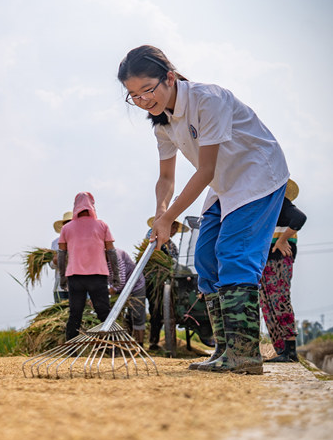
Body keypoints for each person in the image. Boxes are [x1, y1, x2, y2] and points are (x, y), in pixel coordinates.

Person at [118, 45, 289, 375]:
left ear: (170, 78)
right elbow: (166, 178)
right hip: (224, 184)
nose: (143, 100)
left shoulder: (207, 100)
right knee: (206, 258)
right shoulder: (163, 125)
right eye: (133, 95)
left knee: (234, 253)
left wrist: (170, 217)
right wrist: (161, 213)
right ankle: (224, 350)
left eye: (148, 89)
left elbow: (205, 169)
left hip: (257, 174)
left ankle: (245, 354)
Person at [57, 192, 120, 341]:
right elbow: (111, 251)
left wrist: (62, 277)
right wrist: (115, 274)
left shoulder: (67, 228)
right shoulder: (102, 225)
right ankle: (113, 347)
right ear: (92, 206)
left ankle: (71, 348)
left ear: (75, 207)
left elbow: (61, 254)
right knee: (104, 313)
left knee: (75, 314)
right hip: (97, 276)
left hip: (75, 277)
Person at [260, 179, 306, 363]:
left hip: (279, 258)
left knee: (279, 298)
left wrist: (282, 240)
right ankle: (280, 348)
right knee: (266, 302)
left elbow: (300, 218)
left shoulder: (282, 203)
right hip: (265, 259)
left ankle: (290, 349)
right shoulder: (266, 208)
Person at [143, 216, 186, 351]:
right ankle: (147, 342)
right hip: (151, 278)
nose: (174, 230)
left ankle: (154, 342)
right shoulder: (153, 234)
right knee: (153, 309)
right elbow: (153, 246)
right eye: (173, 226)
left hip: (167, 280)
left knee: (160, 311)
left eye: (176, 228)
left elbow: (175, 262)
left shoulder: (172, 246)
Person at [110, 248, 148, 346]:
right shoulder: (97, 259)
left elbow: (121, 282)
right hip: (117, 287)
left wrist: (107, 291)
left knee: (137, 314)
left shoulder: (116, 256)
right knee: (114, 314)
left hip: (135, 285)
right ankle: (119, 343)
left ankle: (140, 344)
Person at [50, 211, 73, 303]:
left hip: (79, 286)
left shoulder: (82, 241)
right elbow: (51, 265)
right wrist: (55, 261)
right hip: (60, 288)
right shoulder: (55, 243)